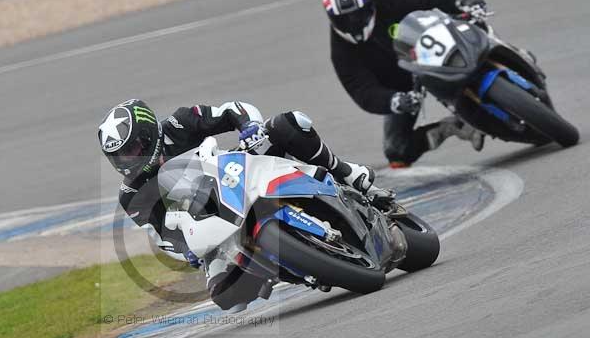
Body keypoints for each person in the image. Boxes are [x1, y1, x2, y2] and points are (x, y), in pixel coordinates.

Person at [98, 99, 381, 310]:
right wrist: (187, 251)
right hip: (206, 222)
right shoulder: (131, 195)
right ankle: (280, 265)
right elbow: (163, 237)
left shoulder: (180, 123)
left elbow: (232, 110)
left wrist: (249, 127)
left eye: (132, 149)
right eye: (119, 157)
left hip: (232, 175)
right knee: (226, 297)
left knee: (287, 124)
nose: (128, 160)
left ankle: (347, 173)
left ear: (148, 134)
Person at [323, 0, 488, 167]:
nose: (353, 22)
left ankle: (505, 58)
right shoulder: (341, 52)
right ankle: (454, 127)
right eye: (345, 19)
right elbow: (362, 91)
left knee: (473, 25)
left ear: (369, 5)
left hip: (429, 56)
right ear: (333, 19)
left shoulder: (388, 2)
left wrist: (460, 0)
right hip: (400, 88)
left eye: (358, 14)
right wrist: (393, 100)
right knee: (397, 151)